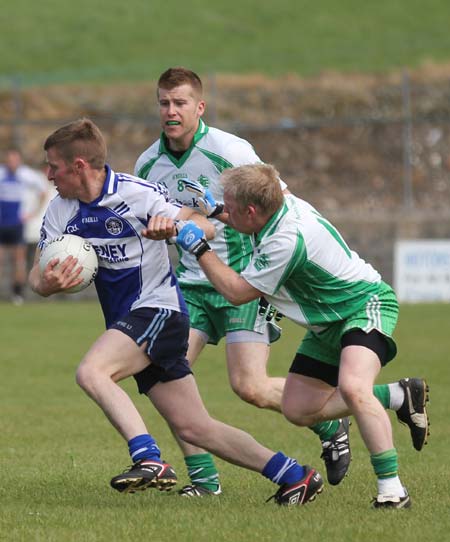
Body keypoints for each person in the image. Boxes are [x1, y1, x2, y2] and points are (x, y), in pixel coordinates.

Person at [28, 118, 325, 507]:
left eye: (53, 166)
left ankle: (148, 458)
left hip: (159, 311)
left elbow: (208, 227)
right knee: (195, 427)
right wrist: (47, 284)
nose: (48, 174)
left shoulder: (139, 194)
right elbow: (36, 276)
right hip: (130, 323)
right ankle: (294, 476)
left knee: (92, 371)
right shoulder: (60, 211)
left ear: (79, 165)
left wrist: (174, 226)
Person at [156, 162, 430, 509]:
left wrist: (200, 249)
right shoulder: (279, 206)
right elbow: (244, 220)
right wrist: (217, 210)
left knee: (354, 387)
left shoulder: (287, 240)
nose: (224, 216)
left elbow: (238, 292)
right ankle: (397, 395)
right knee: (298, 410)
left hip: (364, 306)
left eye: (231, 208)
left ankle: (393, 491)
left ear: (252, 210)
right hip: (325, 323)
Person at [134, 66, 350, 497]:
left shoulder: (229, 149)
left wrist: (211, 224)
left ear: (200, 107)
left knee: (249, 387)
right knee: (166, 380)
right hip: (189, 288)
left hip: (240, 283)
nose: (170, 111)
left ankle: (331, 422)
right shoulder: (147, 163)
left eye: (179, 103)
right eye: (163, 102)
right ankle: (204, 482)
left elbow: (278, 202)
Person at [0, 148, 48, 304]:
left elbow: (43, 191)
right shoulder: (1, 174)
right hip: (1, 223)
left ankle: (17, 294)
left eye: (15, 159)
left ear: (19, 160)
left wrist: (32, 213)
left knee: (18, 261)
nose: (12, 162)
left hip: (16, 224)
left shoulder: (26, 175)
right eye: (9, 159)